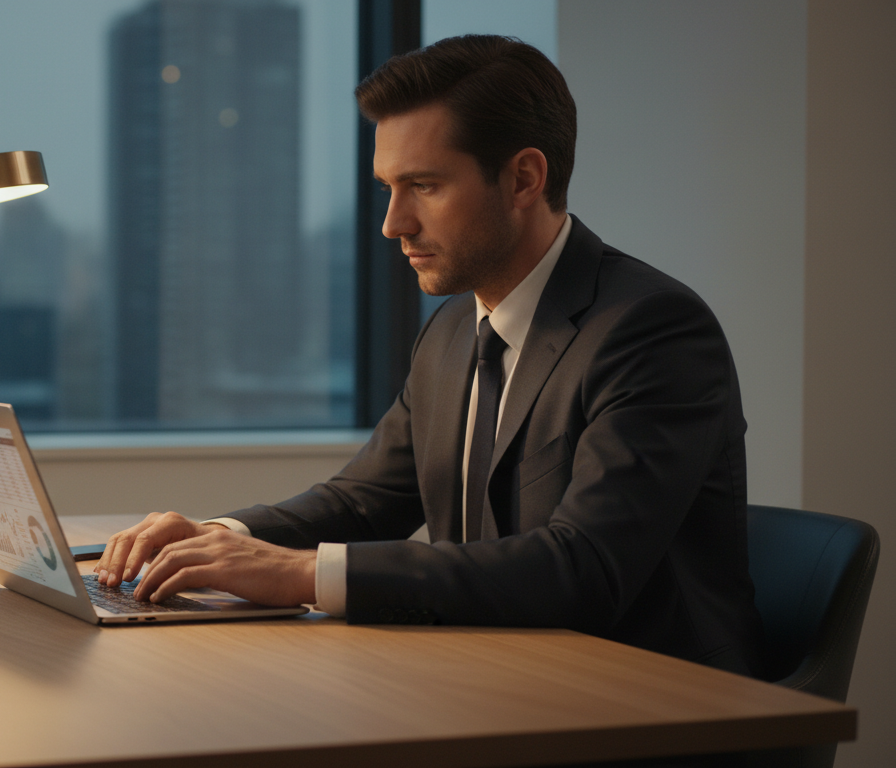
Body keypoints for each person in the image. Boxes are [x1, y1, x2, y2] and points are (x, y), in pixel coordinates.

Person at [95, 34, 764, 678]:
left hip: (647, 710)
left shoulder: (651, 330)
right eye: (388, 187)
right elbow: (364, 502)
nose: (394, 223)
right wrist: (217, 538)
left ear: (525, 178)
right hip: (491, 678)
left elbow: (582, 569)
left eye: (425, 186)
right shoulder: (450, 331)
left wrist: (298, 574)